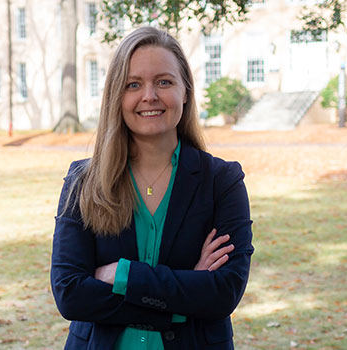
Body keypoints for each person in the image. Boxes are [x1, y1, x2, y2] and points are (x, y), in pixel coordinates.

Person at [50, 26, 254, 349]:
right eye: (134, 84)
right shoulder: (82, 182)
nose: (150, 96)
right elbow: (70, 295)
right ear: (117, 96)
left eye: (164, 82)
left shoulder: (222, 182)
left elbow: (222, 292)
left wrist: (122, 275)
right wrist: (184, 296)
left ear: (185, 91)